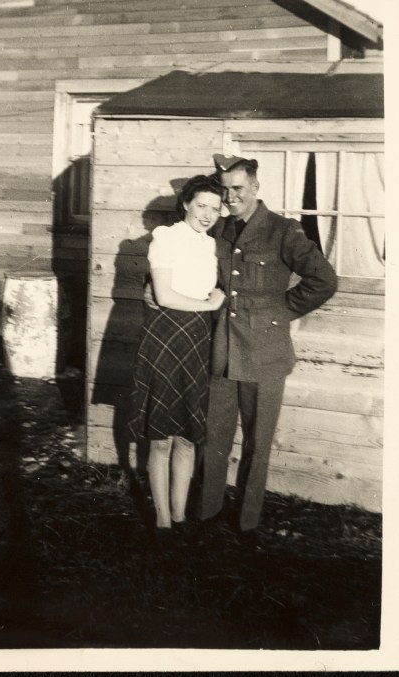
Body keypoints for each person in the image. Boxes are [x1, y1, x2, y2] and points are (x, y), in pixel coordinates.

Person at [196, 154, 338, 547]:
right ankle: (208, 513)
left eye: (237, 188)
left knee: (258, 443)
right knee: (214, 436)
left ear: (256, 188)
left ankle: (247, 523)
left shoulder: (282, 231)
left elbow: (323, 280)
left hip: (265, 354)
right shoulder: (218, 230)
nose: (230, 197)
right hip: (222, 350)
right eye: (224, 190)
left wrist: (281, 311)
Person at [126, 174, 227, 541]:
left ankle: (181, 514)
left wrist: (215, 298)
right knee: (161, 436)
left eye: (215, 209)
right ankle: (163, 520)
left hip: (197, 341)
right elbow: (165, 296)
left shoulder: (211, 246)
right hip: (166, 337)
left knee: (186, 435)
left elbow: (214, 288)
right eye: (201, 205)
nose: (207, 214)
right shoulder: (166, 238)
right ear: (185, 204)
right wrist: (209, 303)